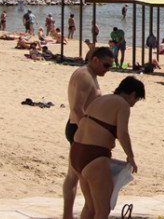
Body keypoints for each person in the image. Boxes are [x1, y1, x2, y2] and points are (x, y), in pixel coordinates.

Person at [70, 76, 144, 219]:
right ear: (133, 94)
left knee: (90, 207)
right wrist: (131, 156)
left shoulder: (99, 100)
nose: (133, 104)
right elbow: (122, 133)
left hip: (76, 152)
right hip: (94, 155)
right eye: (136, 100)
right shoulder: (122, 104)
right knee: (102, 210)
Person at [62, 46, 115, 219]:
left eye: (111, 66)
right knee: (83, 179)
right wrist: (88, 132)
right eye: (106, 65)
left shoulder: (88, 74)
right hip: (79, 128)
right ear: (95, 60)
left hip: (77, 127)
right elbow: (77, 108)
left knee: (73, 175)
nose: (108, 70)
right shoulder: (85, 76)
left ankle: (67, 215)